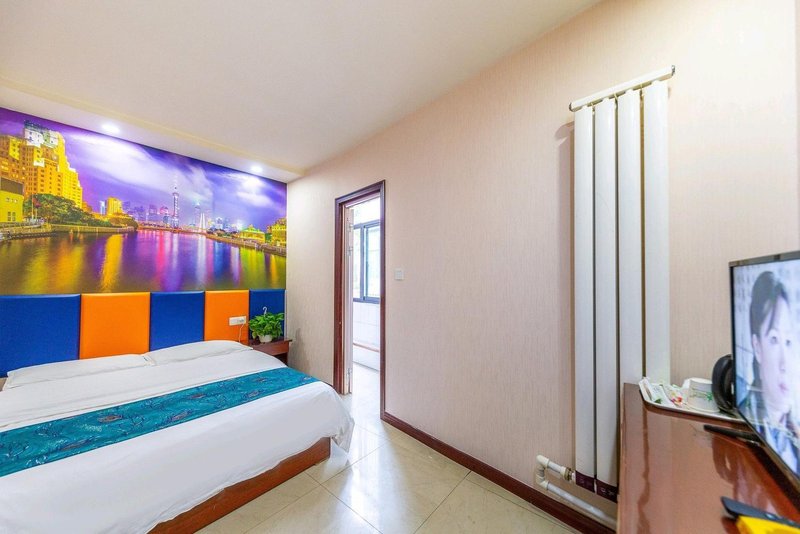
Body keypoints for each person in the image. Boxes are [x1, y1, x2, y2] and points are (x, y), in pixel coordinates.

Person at [739, 271, 800, 474]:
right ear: (757, 347)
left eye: (788, 342)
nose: (784, 363)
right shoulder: (746, 413)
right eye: (774, 339)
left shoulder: (794, 432)